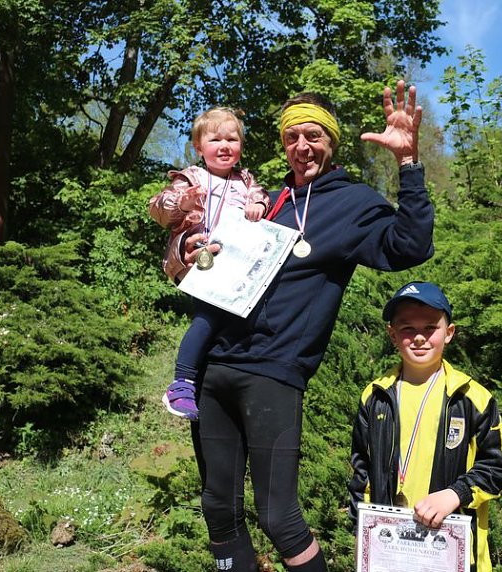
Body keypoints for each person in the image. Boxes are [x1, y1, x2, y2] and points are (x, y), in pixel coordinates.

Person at [162, 80, 434, 572]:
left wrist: (408, 164)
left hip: (273, 374)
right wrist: (184, 250)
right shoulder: (265, 200)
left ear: (331, 142)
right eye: (292, 137)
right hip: (213, 370)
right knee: (218, 508)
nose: (302, 146)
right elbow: (189, 259)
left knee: (279, 517)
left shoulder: (353, 203)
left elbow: (410, 246)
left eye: (314, 136)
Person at [348, 281, 502, 572]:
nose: (419, 337)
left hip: (450, 551)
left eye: (430, 328)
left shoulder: (473, 398)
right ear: (392, 334)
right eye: (407, 328)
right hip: (390, 550)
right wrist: (361, 531)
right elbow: (361, 472)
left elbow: (499, 466)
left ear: (449, 333)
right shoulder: (374, 396)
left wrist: (456, 494)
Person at [149, 107, 270, 421]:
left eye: (232, 139)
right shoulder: (191, 178)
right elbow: (158, 210)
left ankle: (217, 383)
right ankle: (181, 382)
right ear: (199, 147)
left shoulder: (245, 181)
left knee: (230, 322)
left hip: (237, 266)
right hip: (199, 264)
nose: (224, 145)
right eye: (215, 139)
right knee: (207, 317)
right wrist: (182, 202)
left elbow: (262, 198)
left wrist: (258, 203)